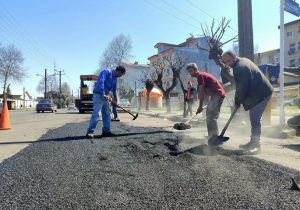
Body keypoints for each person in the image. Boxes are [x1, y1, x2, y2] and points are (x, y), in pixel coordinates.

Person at [222, 50, 273, 154]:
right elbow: (241, 85)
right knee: (253, 118)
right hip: (258, 91)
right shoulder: (241, 61)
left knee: (255, 119)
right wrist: (238, 101)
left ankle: (256, 145)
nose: (228, 63)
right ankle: (252, 142)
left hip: (262, 93)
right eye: (225, 62)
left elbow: (242, 88)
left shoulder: (240, 68)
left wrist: (237, 102)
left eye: (229, 60)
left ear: (234, 56)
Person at [187, 63, 225, 139]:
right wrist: (205, 104)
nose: (190, 73)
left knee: (211, 115)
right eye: (189, 71)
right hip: (215, 95)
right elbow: (205, 93)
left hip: (218, 94)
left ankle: (214, 136)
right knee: (208, 114)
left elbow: (202, 93)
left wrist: (200, 106)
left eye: (191, 71)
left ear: (195, 70)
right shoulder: (202, 75)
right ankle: (211, 135)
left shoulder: (200, 76)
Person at [86, 66, 126, 138]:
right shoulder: (106, 72)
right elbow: (101, 81)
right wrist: (103, 93)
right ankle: (90, 131)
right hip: (98, 94)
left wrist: (116, 100)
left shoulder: (115, 79)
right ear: (118, 71)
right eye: (121, 74)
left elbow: (114, 90)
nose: (120, 76)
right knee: (97, 113)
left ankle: (106, 131)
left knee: (107, 113)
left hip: (105, 96)